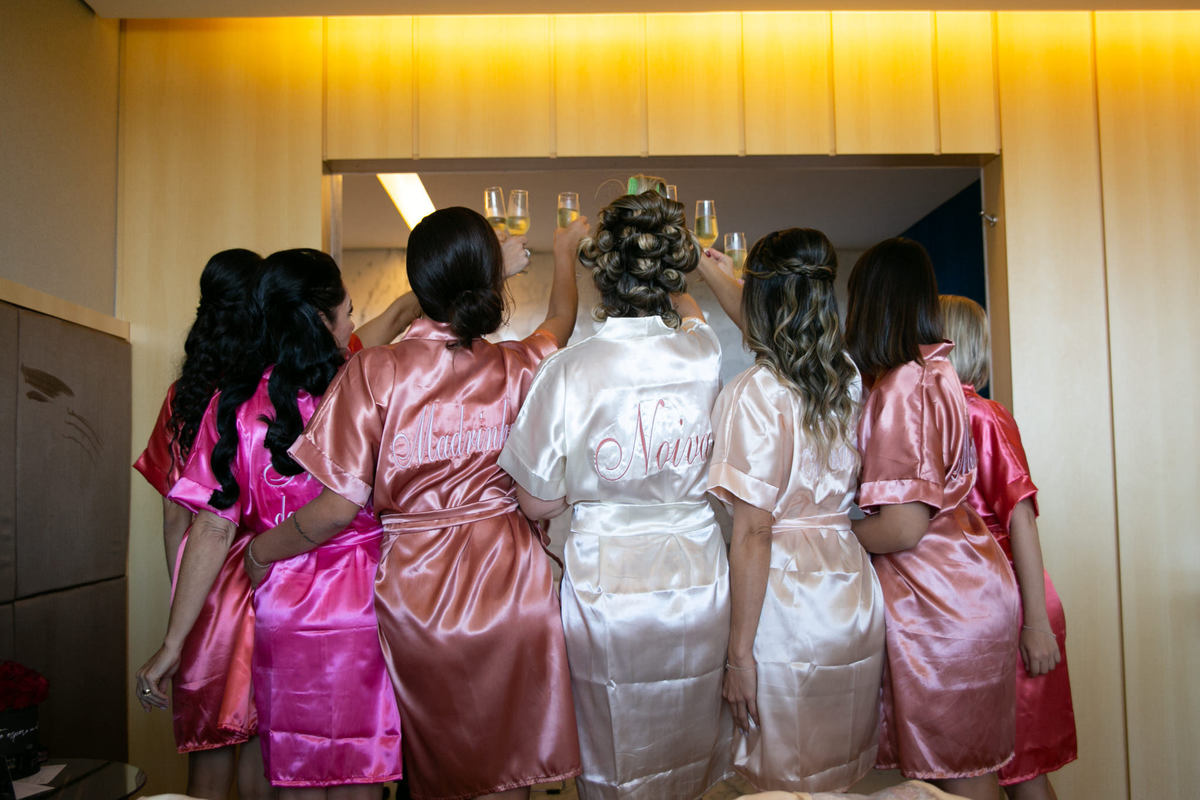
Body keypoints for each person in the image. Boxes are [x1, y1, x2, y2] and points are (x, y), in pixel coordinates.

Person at [244, 207, 585, 800]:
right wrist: (562, 256)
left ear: (418, 279)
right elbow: (560, 321)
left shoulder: (374, 371)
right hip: (513, 585)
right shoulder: (515, 365)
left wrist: (260, 552)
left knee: (442, 766)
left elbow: (333, 510)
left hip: (419, 594)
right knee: (511, 765)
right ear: (488, 281)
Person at [145, 249, 408, 798]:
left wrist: (173, 643)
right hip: (367, 605)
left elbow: (210, 530)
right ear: (320, 317)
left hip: (283, 609)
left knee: (294, 773)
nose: (354, 324)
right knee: (363, 772)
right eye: (348, 311)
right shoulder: (367, 389)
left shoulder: (233, 406)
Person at [499, 190, 731, 800]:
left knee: (611, 747)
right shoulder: (704, 353)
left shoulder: (571, 370)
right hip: (698, 577)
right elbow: (693, 310)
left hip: (609, 586)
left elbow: (537, 502)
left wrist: (590, 492)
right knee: (687, 742)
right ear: (670, 267)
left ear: (600, 273)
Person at [703, 229, 886, 792]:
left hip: (786, 605)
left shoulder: (753, 392)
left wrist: (738, 658)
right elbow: (786, 342)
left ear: (760, 298)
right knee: (834, 771)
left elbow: (755, 531)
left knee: (781, 777)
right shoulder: (846, 378)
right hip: (851, 593)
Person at [844, 238, 1019, 800]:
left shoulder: (901, 386)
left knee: (953, 776)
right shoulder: (938, 369)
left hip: (940, 600)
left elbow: (901, 528)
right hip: (971, 581)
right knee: (967, 767)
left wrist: (829, 536)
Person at [133, 248, 273, 800]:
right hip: (270, 578)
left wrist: (182, 614)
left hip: (206, 590)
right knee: (266, 758)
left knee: (209, 759)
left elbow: (175, 519)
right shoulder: (270, 393)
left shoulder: (185, 397)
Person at [939, 295, 1078, 800]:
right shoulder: (932, 420)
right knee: (987, 765)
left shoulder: (981, 417)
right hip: (980, 605)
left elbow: (1021, 516)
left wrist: (1036, 624)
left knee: (1023, 771)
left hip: (1016, 605)